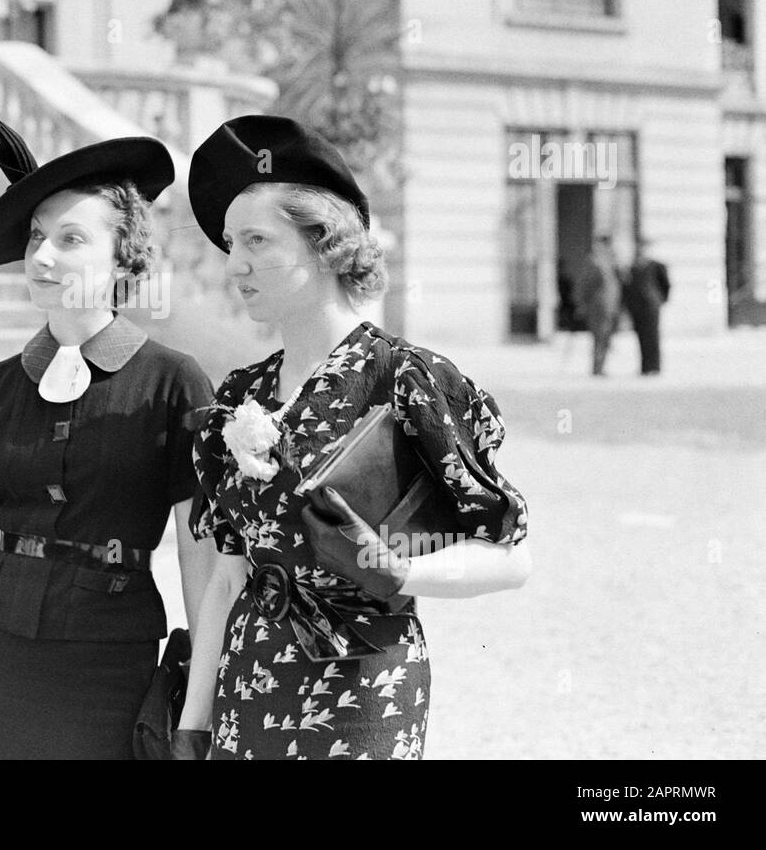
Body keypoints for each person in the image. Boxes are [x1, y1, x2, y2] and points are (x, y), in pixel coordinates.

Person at [173, 115, 531, 760]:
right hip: (248, 684)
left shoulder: (404, 378)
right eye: (231, 243)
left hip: (364, 691)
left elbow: (510, 556)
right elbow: (227, 580)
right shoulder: (237, 397)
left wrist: (400, 570)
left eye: (256, 240)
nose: (236, 265)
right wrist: (193, 729)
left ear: (324, 244)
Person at [0, 122, 215, 760]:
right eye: (35, 236)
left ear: (123, 258)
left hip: (109, 667)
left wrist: (199, 708)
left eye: (70, 239)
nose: (42, 256)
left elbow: (198, 555)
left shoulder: (174, 383)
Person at [576, 235, 623, 376]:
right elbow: (586, 284)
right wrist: (582, 303)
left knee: (607, 337)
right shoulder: (594, 261)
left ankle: (601, 365)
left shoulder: (612, 261)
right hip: (598, 306)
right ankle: (597, 367)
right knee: (600, 336)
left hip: (611, 305)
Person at [623, 239, 670, 375]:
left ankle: (654, 367)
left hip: (651, 306)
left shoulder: (657, 266)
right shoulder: (633, 267)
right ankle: (645, 367)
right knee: (642, 337)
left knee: (653, 337)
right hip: (637, 308)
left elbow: (665, 285)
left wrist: (661, 301)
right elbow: (628, 288)